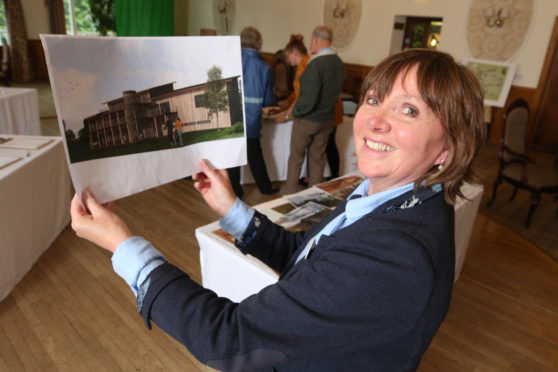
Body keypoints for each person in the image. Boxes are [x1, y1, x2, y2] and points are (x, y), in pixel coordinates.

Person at [69, 49, 486, 371]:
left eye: (408, 110)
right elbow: (304, 255)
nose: (375, 120)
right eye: (374, 100)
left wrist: (122, 245)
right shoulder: (381, 194)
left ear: (447, 150)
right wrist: (231, 208)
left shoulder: (397, 253)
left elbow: (227, 338)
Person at [282, 26, 345, 194]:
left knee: (296, 158)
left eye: (312, 41)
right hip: (328, 119)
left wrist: (293, 113)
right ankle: (314, 195)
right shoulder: (338, 62)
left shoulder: (316, 63)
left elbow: (308, 99)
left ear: (316, 41)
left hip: (308, 120)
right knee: (318, 159)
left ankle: (288, 194)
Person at [227, 26, 279, 198]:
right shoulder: (264, 68)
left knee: (233, 156)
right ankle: (265, 187)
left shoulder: (231, 60)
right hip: (251, 119)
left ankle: (235, 189)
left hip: (231, 116)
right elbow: (268, 100)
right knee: (255, 154)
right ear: (259, 43)